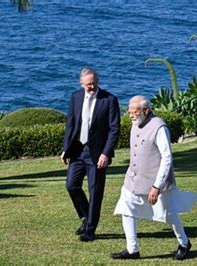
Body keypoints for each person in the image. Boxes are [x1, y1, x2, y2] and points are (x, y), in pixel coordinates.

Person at [111, 95, 197, 260]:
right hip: (133, 179)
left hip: (156, 181)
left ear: (146, 110)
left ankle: (184, 244)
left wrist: (156, 186)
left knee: (168, 214)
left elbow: (167, 158)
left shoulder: (159, 128)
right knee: (126, 209)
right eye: (129, 112)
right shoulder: (135, 124)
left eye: (134, 112)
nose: (131, 115)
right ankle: (132, 250)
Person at [60, 67, 120, 242]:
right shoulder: (76, 97)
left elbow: (114, 130)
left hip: (98, 153)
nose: (91, 87)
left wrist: (106, 154)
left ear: (98, 81)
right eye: (88, 84)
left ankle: (90, 229)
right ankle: (87, 217)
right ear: (81, 83)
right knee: (71, 185)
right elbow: (71, 124)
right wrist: (66, 149)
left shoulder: (109, 100)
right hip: (78, 150)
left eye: (94, 83)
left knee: (95, 191)